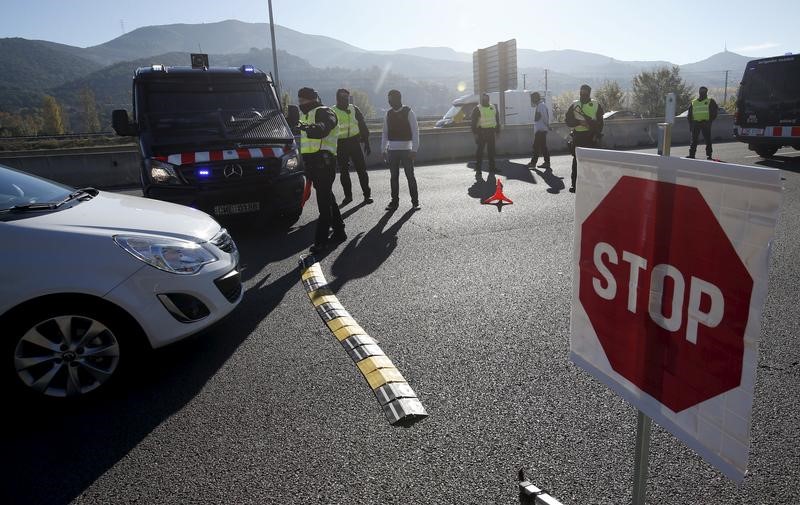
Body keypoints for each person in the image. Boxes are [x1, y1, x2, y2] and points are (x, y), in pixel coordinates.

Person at [293, 87, 345, 254]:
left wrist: (312, 128)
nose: (300, 104)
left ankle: (321, 242)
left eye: (302, 100)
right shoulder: (306, 115)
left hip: (324, 161)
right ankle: (339, 231)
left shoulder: (324, 111)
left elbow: (324, 127)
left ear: (311, 99)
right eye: (299, 101)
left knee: (323, 203)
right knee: (327, 197)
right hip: (313, 163)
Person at [380, 89, 420, 211]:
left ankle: (415, 202)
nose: (389, 101)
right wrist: (383, 150)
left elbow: (415, 131)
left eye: (391, 99)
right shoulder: (388, 114)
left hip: (407, 150)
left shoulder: (409, 112)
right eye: (389, 99)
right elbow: (385, 133)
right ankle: (394, 202)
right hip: (392, 150)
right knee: (393, 177)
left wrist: (414, 149)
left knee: (410, 176)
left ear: (398, 99)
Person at [333, 88, 372, 206]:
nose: (345, 98)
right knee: (344, 172)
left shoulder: (354, 109)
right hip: (340, 144)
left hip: (354, 142)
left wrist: (366, 141)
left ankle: (367, 195)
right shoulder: (332, 111)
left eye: (346, 96)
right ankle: (348, 196)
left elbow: (362, 125)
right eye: (342, 96)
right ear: (337, 98)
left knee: (362, 170)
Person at [565, 84, 604, 193]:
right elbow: (568, 121)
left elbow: (600, 123)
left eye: (585, 93)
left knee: (591, 162)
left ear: (589, 94)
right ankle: (575, 185)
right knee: (576, 161)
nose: (583, 95)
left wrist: (596, 133)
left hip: (591, 137)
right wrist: (579, 122)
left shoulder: (596, 105)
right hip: (578, 137)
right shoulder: (575, 105)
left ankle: (591, 185)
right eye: (581, 93)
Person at [470, 93, 501, 172]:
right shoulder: (477, 108)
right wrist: (475, 134)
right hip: (481, 133)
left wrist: (497, 132)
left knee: (491, 151)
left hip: (491, 132)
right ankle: (478, 168)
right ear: (481, 100)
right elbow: (473, 123)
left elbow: (497, 120)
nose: (485, 100)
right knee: (480, 151)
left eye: (486, 99)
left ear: (489, 99)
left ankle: (492, 168)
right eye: (484, 99)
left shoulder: (493, 107)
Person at [687, 86, 719, 160]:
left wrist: (709, 121)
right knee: (695, 140)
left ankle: (708, 155)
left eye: (704, 92)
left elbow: (714, 112)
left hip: (705, 123)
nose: (703, 93)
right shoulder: (694, 102)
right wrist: (691, 125)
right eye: (702, 92)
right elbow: (689, 115)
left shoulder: (710, 101)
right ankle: (692, 155)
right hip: (697, 123)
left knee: (707, 140)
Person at [528, 92, 551, 170]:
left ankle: (533, 163)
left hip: (541, 130)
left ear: (535, 98)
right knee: (542, 147)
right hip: (540, 130)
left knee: (536, 146)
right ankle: (546, 163)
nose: (531, 100)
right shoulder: (540, 105)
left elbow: (544, 117)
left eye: (532, 98)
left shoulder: (541, 106)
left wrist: (547, 125)